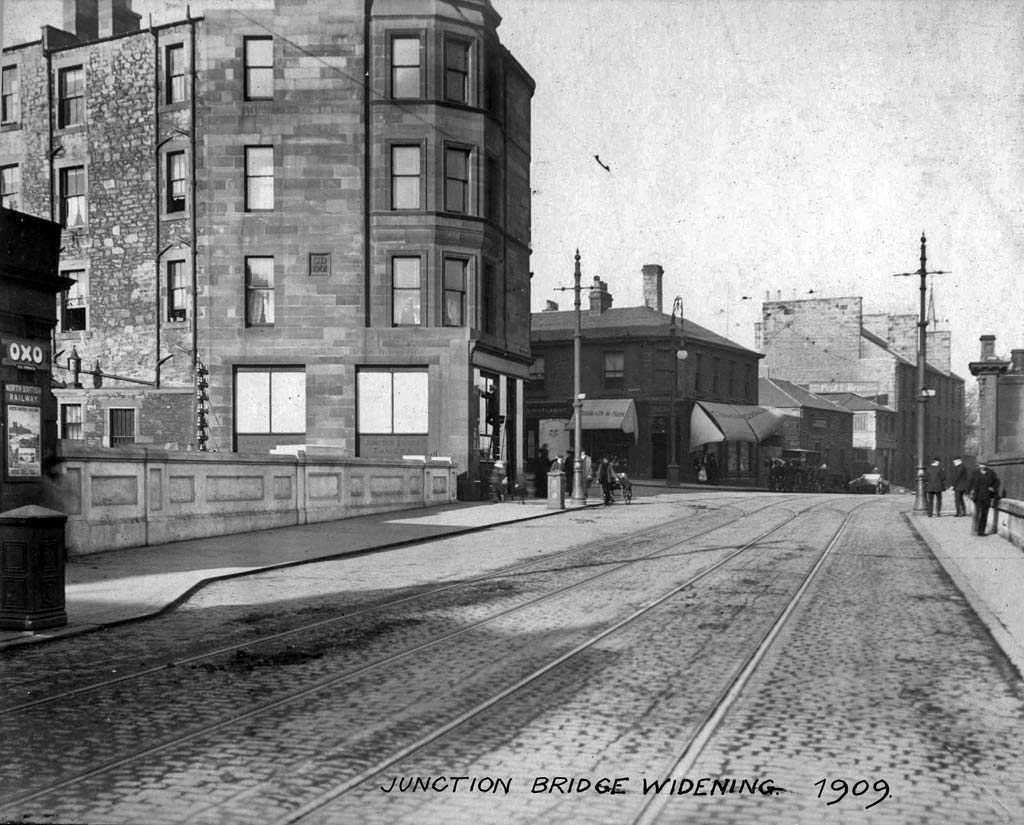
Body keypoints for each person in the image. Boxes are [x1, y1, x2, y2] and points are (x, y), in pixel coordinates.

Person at [969, 461, 1001, 536]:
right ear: (979, 465)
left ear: (987, 465)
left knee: (984, 514)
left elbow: (997, 481)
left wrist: (993, 488)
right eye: (981, 465)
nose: (983, 466)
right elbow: (971, 482)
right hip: (977, 496)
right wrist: (970, 491)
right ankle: (975, 530)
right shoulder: (975, 473)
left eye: (985, 465)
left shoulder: (991, 473)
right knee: (977, 514)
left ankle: (981, 531)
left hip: (987, 496)